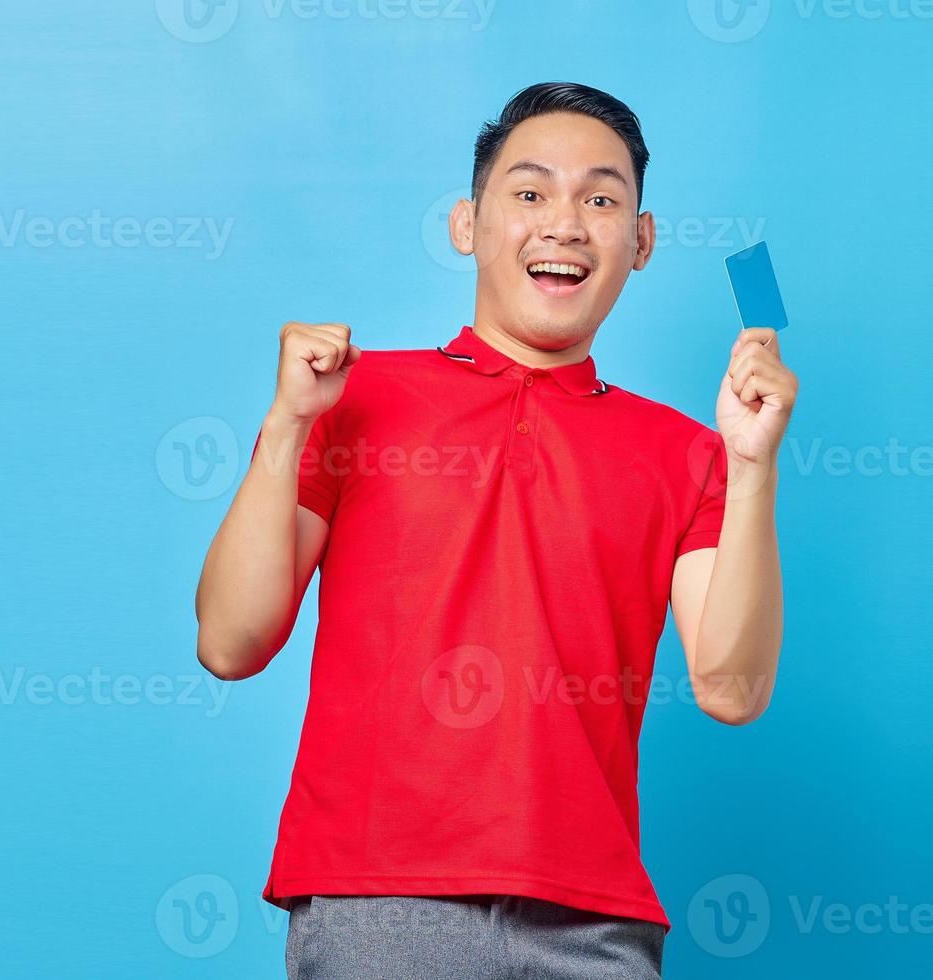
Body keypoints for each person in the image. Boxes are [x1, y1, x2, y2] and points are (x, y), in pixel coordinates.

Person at [194, 80, 797, 979]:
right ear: (466, 225)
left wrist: (753, 468)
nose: (563, 222)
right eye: (529, 192)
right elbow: (229, 641)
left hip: (595, 922)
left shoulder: (689, 453)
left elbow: (734, 689)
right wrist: (284, 427)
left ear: (640, 242)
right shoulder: (349, 397)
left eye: (600, 198)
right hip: (379, 898)